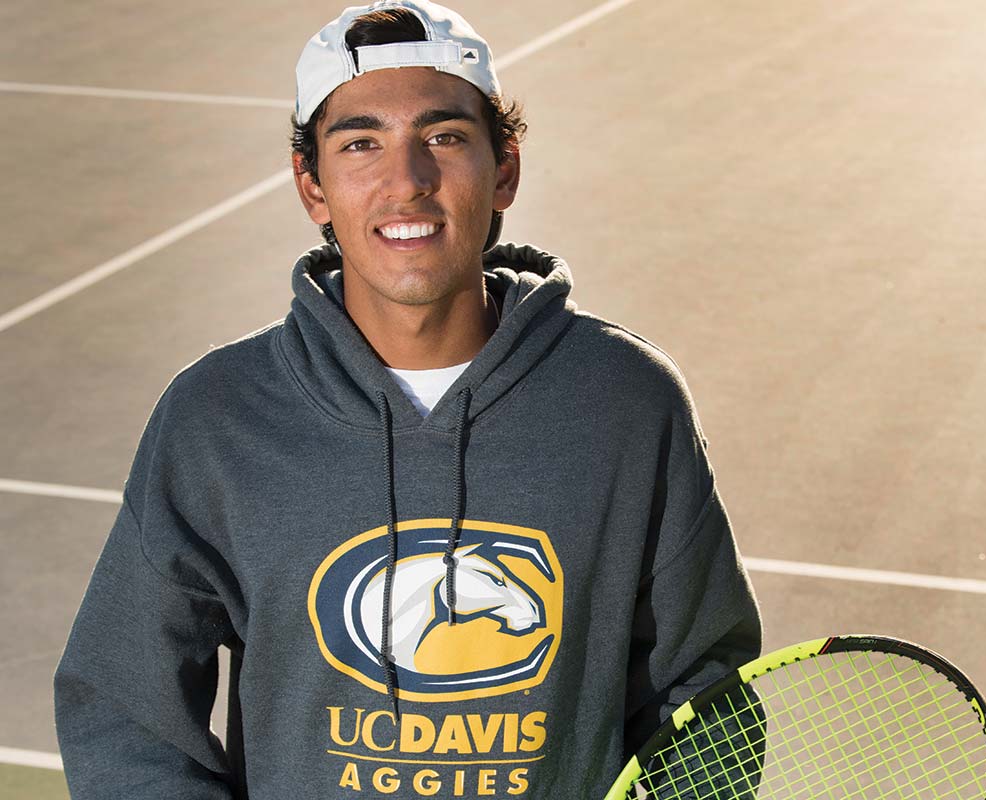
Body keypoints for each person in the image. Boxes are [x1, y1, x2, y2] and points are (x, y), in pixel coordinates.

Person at [53, 2, 762, 797]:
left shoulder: (627, 402)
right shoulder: (216, 417)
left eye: (445, 138)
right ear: (312, 186)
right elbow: (124, 708)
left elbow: (705, 694)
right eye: (362, 144)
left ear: (505, 171)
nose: (407, 182)